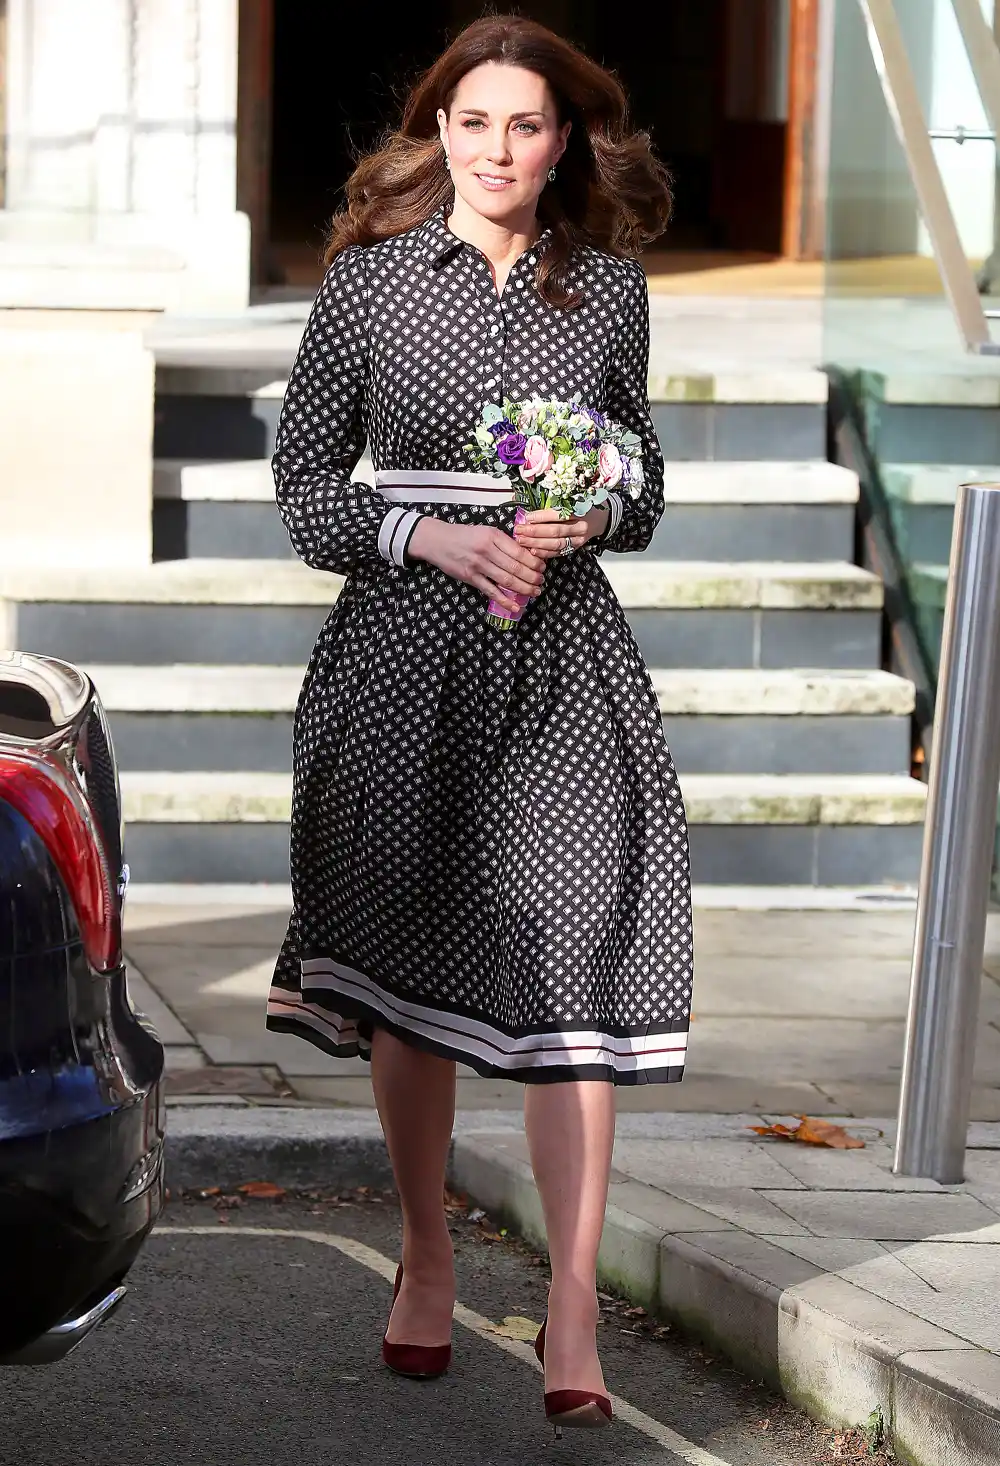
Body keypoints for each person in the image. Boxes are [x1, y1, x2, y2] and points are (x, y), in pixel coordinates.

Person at [266, 13, 693, 1436]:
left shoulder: (610, 294)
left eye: (526, 126)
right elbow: (306, 490)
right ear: (437, 131)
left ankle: (570, 1298)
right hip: (403, 656)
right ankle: (432, 1253)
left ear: (565, 139)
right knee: (411, 954)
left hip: (564, 659)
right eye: (473, 123)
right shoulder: (373, 288)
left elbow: (644, 478)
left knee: (579, 958)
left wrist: (600, 508)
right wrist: (428, 537)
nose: (499, 149)